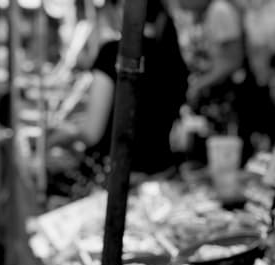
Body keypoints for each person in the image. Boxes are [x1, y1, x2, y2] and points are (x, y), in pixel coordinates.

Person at [49, 0, 188, 175]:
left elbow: (92, 133)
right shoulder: (171, 56)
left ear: (124, 9)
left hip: (116, 176)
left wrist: (66, 134)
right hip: (159, 169)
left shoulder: (113, 53)